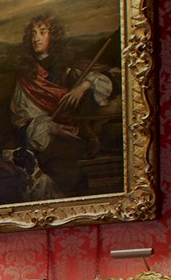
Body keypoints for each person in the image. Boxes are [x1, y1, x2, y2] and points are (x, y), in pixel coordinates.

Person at [9, 14, 116, 196]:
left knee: (69, 169)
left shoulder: (69, 65)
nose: (36, 38)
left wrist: (83, 86)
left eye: (42, 32)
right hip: (41, 137)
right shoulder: (26, 76)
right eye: (33, 33)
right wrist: (51, 128)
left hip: (73, 133)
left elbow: (112, 76)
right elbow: (20, 119)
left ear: (54, 36)